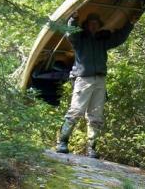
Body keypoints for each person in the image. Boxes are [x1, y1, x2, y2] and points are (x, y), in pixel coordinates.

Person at [56, 11, 135, 158]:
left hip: (100, 80)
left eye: (96, 24)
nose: (93, 26)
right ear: (86, 25)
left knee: (96, 116)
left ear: (98, 26)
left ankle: (91, 148)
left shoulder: (102, 40)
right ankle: (62, 143)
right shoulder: (80, 39)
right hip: (83, 79)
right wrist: (73, 19)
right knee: (76, 111)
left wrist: (129, 25)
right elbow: (70, 33)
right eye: (91, 23)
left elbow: (119, 38)